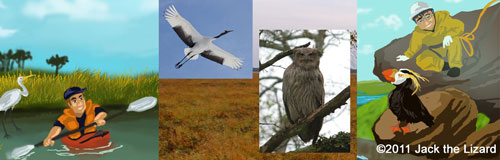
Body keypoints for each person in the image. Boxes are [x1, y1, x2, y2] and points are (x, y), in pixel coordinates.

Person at [397, 2, 464, 77]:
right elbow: (415, 45)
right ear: (416, 23)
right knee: (421, 59)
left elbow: (459, 25)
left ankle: (455, 66)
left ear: (433, 14)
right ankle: (444, 66)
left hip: (449, 43)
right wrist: (407, 55)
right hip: (435, 49)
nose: (426, 22)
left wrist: (449, 35)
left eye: (428, 16)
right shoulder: (418, 33)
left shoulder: (443, 18)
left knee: (454, 40)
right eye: (420, 20)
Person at [43, 87, 107, 147]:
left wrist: (98, 119)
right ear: (69, 104)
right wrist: (50, 137)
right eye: (74, 101)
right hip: (75, 141)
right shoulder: (65, 117)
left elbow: (102, 112)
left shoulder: (92, 107)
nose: (79, 102)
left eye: (81, 98)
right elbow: (57, 127)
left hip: (91, 135)